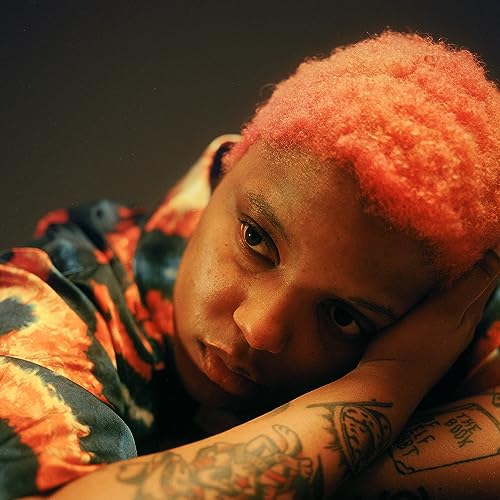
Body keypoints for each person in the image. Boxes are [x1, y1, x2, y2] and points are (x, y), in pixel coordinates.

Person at [0, 31, 499, 499]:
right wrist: (384, 388)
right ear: (225, 168)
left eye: (342, 317)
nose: (259, 330)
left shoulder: (441, 319)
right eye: (256, 240)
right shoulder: (45, 299)